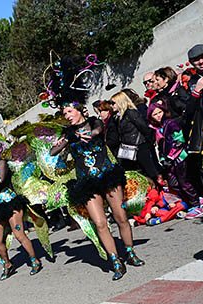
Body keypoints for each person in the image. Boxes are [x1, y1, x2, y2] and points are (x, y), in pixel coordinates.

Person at [51, 97, 145, 280]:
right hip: (87, 182)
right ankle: (115, 261)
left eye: (69, 111)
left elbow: (98, 130)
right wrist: (68, 139)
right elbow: (53, 152)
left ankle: (130, 252)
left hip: (108, 176)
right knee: (100, 223)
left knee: (121, 217)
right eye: (64, 113)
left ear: (79, 110)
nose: (67, 115)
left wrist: (90, 134)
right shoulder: (68, 133)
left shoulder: (94, 122)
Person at [0, 141, 43, 280]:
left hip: (11, 203)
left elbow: (0, 179)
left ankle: (34, 260)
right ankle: (7, 264)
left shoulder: (1, 163)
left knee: (19, 234)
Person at [147, 97, 203, 215]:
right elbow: (161, 147)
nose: (158, 115)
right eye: (155, 114)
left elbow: (179, 140)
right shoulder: (158, 129)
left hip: (179, 157)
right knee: (174, 184)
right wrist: (163, 159)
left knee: (184, 182)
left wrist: (171, 156)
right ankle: (195, 199)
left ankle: (196, 204)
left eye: (160, 112)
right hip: (169, 161)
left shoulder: (171, 124)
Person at [112, 91, 161, 182]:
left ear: (120, 102)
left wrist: (149, 141)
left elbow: (143, 127)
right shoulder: (119, 117)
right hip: (129, 148)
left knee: (150, 170)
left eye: (113, 103)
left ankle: (160, 189)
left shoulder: (130, 113)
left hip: (139, 146)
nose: (112, 105)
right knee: (136, 173)